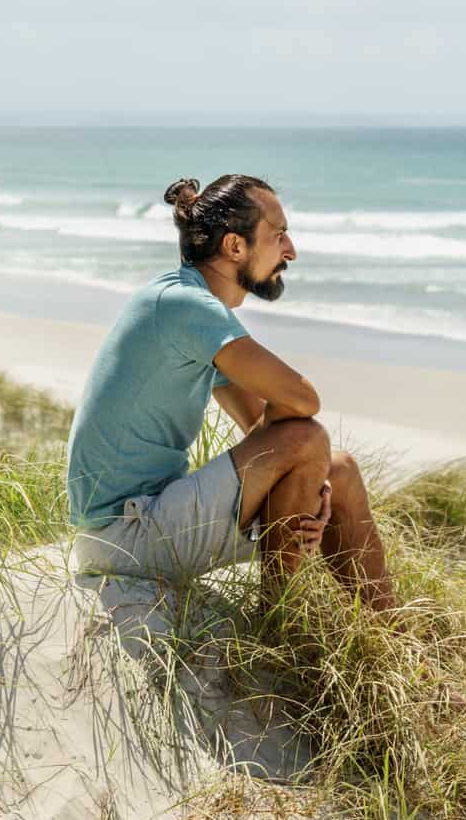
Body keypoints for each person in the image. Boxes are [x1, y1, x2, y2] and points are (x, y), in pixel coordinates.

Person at [66, 174, 395, 654]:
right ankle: (279, 635)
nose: (291, 250)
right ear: (235, 246)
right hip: (123, 534)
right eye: (278, 233)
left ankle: (396, 648)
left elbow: (261, 425)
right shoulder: (185, 306)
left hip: (151, 520)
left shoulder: (188, 305)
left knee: (337, 467)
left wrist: (310, 489)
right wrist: (301, 468)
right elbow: (302, 404)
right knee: (308, 437)